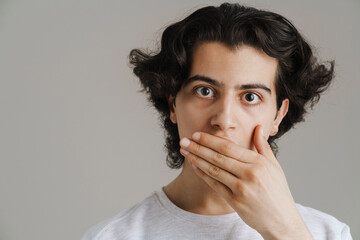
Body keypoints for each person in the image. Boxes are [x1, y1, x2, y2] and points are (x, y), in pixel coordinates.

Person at [82, 3, 352, 240]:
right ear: (173, 104)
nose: (224, 120)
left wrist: (285, 231)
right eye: (205, 91)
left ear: (278, 116)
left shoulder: (327, 234)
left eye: (250, 96)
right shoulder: (112, 236)